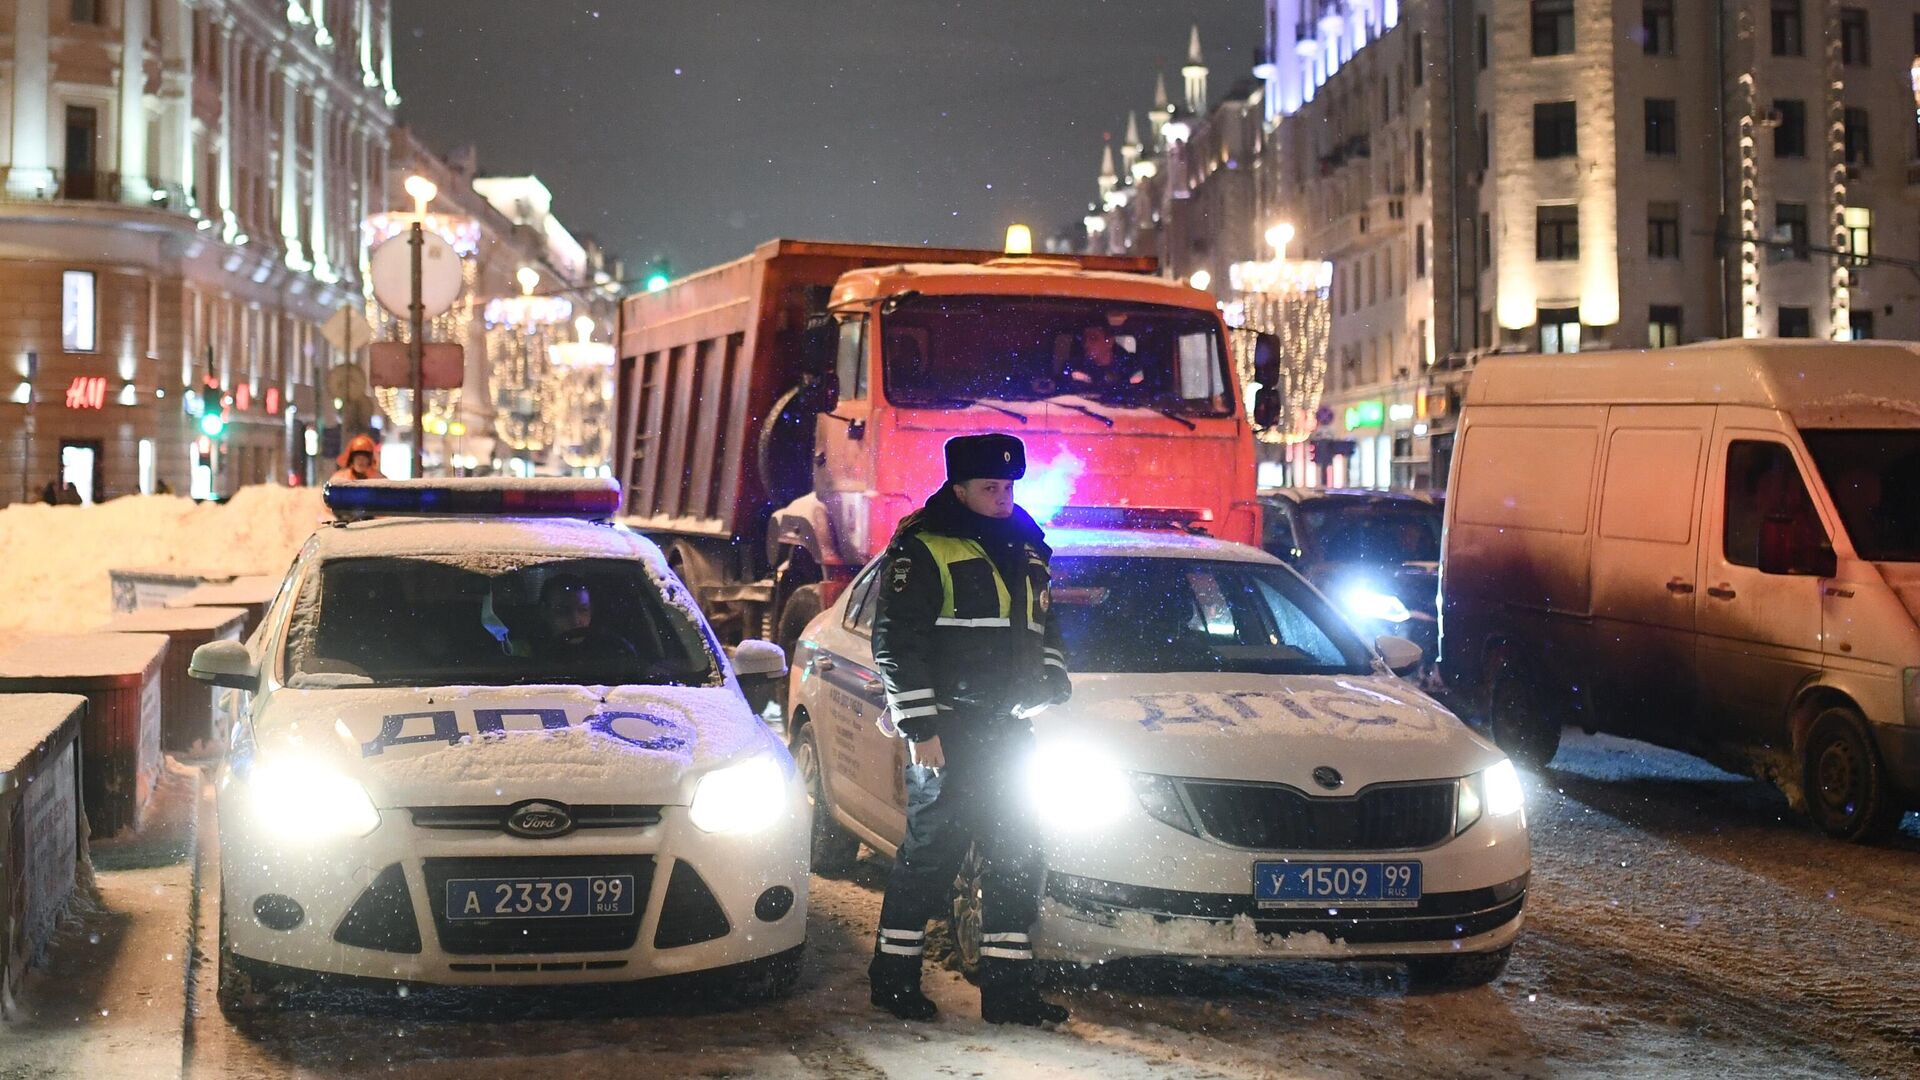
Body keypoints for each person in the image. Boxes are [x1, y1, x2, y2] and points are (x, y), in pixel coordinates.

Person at [867, 432, 1073, 1027]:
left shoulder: (1029, 548)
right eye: (990, 487)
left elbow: (1045, 627)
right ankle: (893, 982)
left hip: (1009, 732)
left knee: (1016, 855)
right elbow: (897, 645)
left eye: (1009, 486)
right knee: (932, 859)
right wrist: (920, 728)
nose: (1003, 496)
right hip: (950, 733)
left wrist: (1051, 682)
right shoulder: (924, 547)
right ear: (959, 489)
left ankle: (1009, 996)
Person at [522, 573, 639, 664]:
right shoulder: (527, 652)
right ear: (545, 613)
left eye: (583, 610)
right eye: (563, 611)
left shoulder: (611, 652)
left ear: (592, 610)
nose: (575, 620)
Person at [1061, 323, 1146, 395]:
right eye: (1084, 339)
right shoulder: (1075, 367)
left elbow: (1142, 396)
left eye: (1093, 338)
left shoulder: (1130, 368)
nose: (1086, 344)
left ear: (1110, 342)